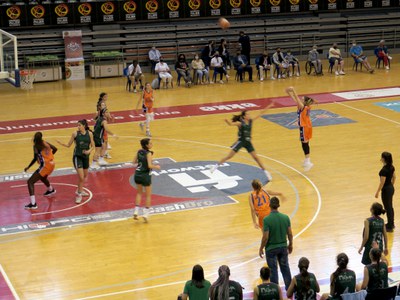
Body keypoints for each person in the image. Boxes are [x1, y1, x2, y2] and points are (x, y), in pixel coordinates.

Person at [209, 103, 274, 181]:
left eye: (249, 114)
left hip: (248, 142)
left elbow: (260, 113)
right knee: (229, 156)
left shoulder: (250, 121)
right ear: (244, 116)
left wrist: (269, 106)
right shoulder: (240, 123)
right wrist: (227, 121)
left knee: (256, 158)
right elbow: (231, 124)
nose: (249, 115)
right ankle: (215, 166)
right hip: (241, 142)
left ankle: (266, 172)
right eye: (247, 114)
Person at [56, 119, 95, 204]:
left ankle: (79, 189)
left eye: (79, 125)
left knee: (85, 175)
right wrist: (61, 143)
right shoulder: (75, 134)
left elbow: (93, 145)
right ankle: (79, 194)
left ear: (84, 126)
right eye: (77, 125)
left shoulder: (90, 134)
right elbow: (68, 145)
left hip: (86, 157)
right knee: (81, 177)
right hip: (77, 157)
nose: (78, 127)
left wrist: (89, 151)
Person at [259, 197, 293, 290]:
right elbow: (290, 233)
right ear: (278, 206)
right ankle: (289, 289)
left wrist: (261, 248)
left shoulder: (266, 219)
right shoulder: (285, 218)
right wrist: (290, 244)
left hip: (271, 249)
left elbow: (265, 237)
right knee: (285, 268)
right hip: (283, 247)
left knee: (273, 271)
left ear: (269, 206)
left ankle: (275, 290)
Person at [286, 87, 317, 171]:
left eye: (302, 99)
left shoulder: (302, 106)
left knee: (304, 143)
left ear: (304, 101)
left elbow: (296, 98)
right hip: (308, 126)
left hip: (304, 127)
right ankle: (307, 160)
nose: (300, 99)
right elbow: (295, 99)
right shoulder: (306, 106)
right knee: (305, 143)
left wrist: (293, 90)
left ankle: (308, 161)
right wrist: (289, 93)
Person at [24, 132, 57, 209]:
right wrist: (49, 156)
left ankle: (33, 204)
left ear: (34, 138)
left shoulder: (36, 146)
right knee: (42, 177)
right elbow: (55, 149)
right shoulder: (45, 142)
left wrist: (28, 167)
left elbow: (35, 158)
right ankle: (51, 190)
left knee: (30, 182)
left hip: (45, 166)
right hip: (52, 164)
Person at [132, 138, 161, 222]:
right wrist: (156, 166)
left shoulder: (139, 151)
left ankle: (136, 211)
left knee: (139, 193)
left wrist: (141, 162)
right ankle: (145, 214)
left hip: (137, 174)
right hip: (145, 175)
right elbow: (149, 166)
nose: (152, 144)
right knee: (148, 195)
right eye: (150, 143)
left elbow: (133, 162)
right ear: (147, 145)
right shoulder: (148, 153)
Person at [375, 151, 395, 232]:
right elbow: (394, 177)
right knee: (390, 206)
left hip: (386, 190)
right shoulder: (392, 167)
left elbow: (382, 182)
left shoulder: (384, 170)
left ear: (383, 159)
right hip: (390, 188)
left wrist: (377, 192)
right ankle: (391, 223)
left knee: (388, 207)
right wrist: (391, 186)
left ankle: (390, 226)